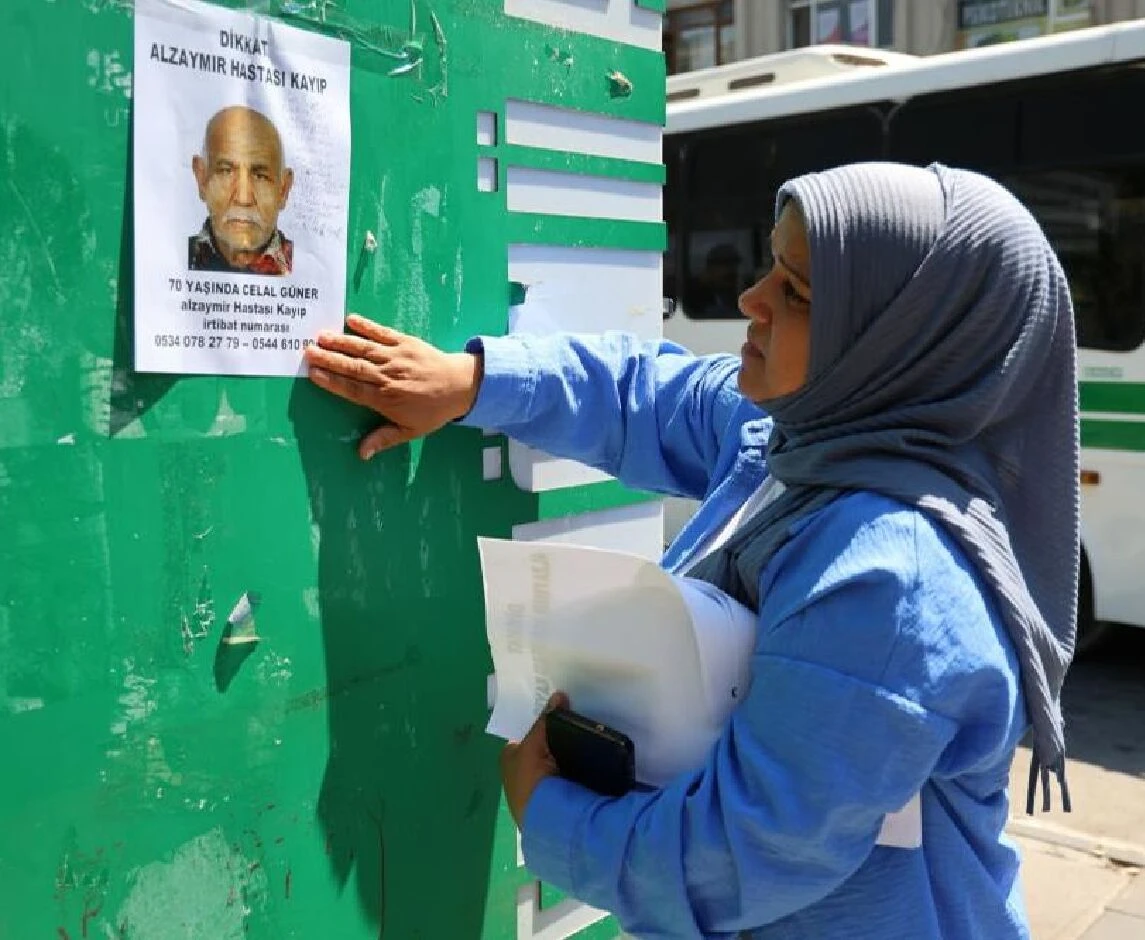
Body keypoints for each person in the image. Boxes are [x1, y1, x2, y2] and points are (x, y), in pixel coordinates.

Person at [301, 161, 1080, 939]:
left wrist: (550, 813)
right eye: (772, 265)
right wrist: (473, 381)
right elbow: (644, 393)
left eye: (797, 291)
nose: (753, 300)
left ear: (897, 344)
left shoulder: (884, 576)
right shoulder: (805, 438)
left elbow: (741, 855)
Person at [189, 105, 294, 275]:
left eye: (260, 176)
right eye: (226, 171)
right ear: (201, 179)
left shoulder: (306, 267)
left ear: (283, 189)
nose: (243, 198)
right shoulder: (173, 259)